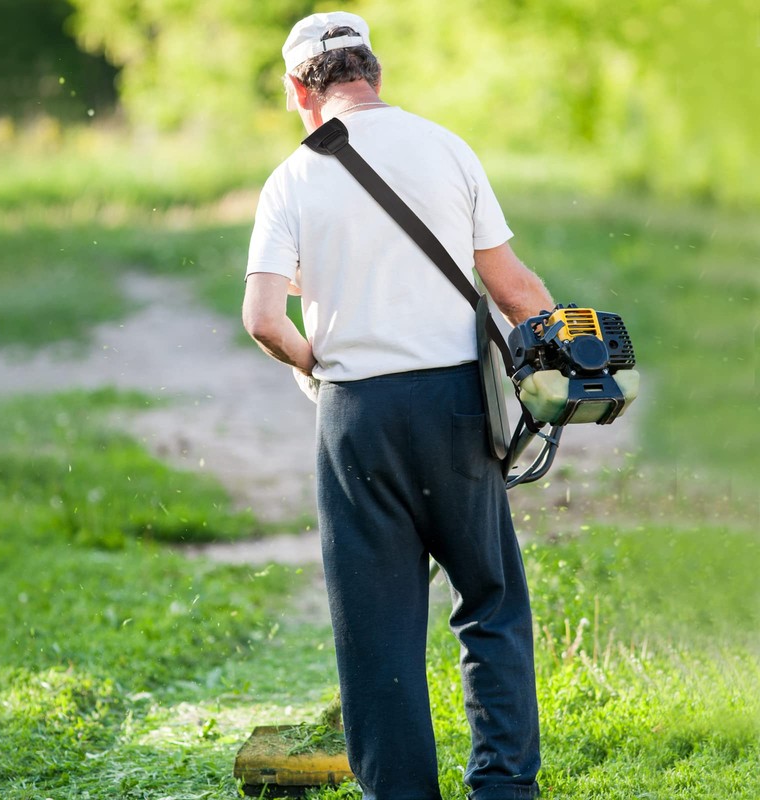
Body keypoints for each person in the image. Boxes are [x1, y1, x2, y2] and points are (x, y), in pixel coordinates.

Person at [242, 11, 554, 800]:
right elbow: (514, 290)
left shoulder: (291, 179)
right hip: (454, 406)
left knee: (374, 628)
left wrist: (319, 368)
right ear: (374, 72)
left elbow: (264, 320)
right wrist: (569, 366)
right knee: (489, 599)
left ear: (298, 90)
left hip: (356, 418)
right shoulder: (446, 149)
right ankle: (503, 788)